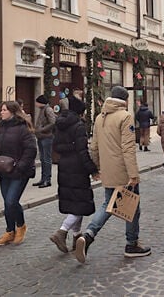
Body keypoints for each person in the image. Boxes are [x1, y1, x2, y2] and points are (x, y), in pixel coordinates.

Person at [75, 86, 151, 263]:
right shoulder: (125, 117)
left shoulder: (100, 118)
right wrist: (133, 174)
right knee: (132, 207)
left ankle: (88, 235)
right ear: (125, 100)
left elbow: (93, 147)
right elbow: (128, 148)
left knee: (108, 205)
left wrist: (96, 168)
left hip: (108, 170)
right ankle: (131, 244)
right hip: (123, 171)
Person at [49, 101, 98, 253]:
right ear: (81, 112)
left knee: (75, 202)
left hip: (64, 165)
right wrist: (92, 169)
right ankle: (62, 232)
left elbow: (56, 146)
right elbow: (82, 151)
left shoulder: (60, 124)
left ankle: (77, 236)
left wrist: (67, 150)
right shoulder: (79, 126)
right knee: (80, 202)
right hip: (77, 167)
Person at [0, 101, 37, 247]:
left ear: (12, 111)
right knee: (8, 202)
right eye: (1, 110)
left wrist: (20, 167)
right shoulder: (1, 126)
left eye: (4, 110)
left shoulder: (23, 127)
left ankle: (21, 226)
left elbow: (31, 150)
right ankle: (9, 231)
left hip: (19, 171)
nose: (1, 112)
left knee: (11, 201)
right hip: (4, 169)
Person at [32, 95, 56, 188]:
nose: (36, 104)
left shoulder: (48, 109)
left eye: (37, 102)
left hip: (47, 137)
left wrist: (42, 129)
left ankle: (47, 179)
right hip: (41, 137)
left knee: (46, 159)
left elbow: (52, 122)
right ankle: (43, 178)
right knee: (42, 158)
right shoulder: (42, 109)